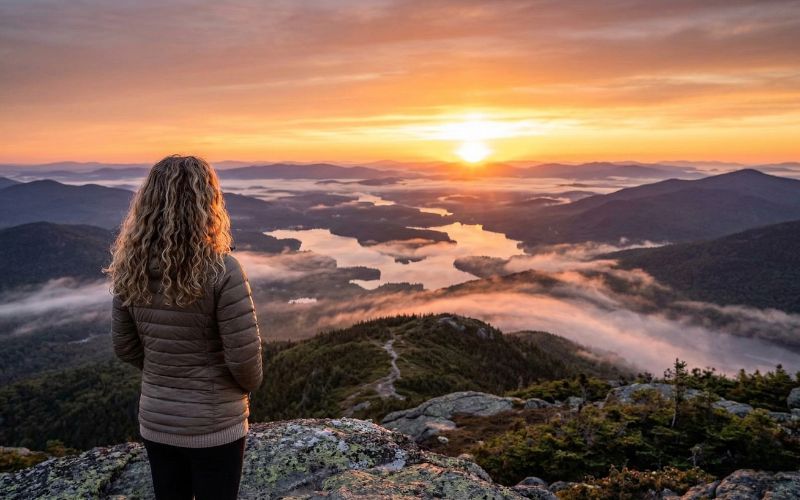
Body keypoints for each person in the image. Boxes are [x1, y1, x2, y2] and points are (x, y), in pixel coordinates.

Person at [103, 154, 264, 500]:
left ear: (147, 204)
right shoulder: (223, 270)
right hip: (215, 426)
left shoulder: (129, 269)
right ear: (208, 204)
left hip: (157, 422)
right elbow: (246, 365)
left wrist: (167, 371)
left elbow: (125, 347)